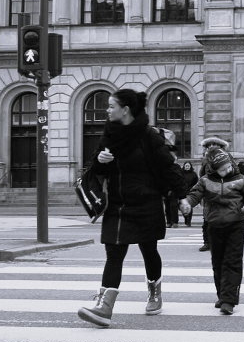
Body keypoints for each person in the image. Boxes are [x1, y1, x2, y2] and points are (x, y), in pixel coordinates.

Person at [77, 89, 188, 328]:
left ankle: (154, 292)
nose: (107, 110)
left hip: (147, 204)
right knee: (114, 254)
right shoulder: (110, 134)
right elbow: (97, 165)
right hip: (118, 206)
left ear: (125, 110)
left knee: (149, 251)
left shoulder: (149, 136)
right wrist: (99, 161)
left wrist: (182, 197)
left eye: (110, 106)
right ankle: (104, 307)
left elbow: (169, 168)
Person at [181, 149, 244, 315]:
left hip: (235, 223)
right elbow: (195, 195)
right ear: (215, 169)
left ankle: (229, 300)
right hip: (214, 225)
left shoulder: (240, 179)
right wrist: (187, 203)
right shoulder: (205, 181)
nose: (228, 170)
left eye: (229, 167)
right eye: (223, 169)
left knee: (233, 261)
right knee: (217, 261)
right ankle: (222, 295)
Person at [197, 137, 232, 251]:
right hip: (210, 193)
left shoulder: (228, 158)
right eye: (209, 145)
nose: (211, 146)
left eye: (213, 144)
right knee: (207, 219)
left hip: (224, 191)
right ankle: (207, 242)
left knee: (226, 218)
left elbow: (234, 174)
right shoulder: (205, 159)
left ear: (220, 146)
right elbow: (201, 175)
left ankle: (225, 242)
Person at [180, 161, 200, 226]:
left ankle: (188, 221)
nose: (187, 167)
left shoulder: (193, 174)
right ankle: (186, 217)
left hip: (191, 192)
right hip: (183, 191)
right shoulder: (181, 173)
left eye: (188, 166)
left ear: (190, 166)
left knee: (189, 206)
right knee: (182, 206)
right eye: (186, 166)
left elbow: (196, 183)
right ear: (184, 166)